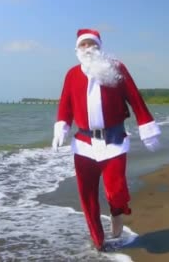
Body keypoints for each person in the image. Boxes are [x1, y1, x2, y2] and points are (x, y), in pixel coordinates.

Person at [51, 28, 161, 251]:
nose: (88, 48)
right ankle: (97, 239)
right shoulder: (72, 74)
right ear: (77, 49)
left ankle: (117, 214)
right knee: (87, 194)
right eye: (83, 45)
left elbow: (135, 98)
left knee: (117, 190)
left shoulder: (116, 68)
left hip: (114, 141)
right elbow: (65, 103)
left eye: (92, 44)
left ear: (100, 47)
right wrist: (61, 126)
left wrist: (146, 126)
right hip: (84, 144)